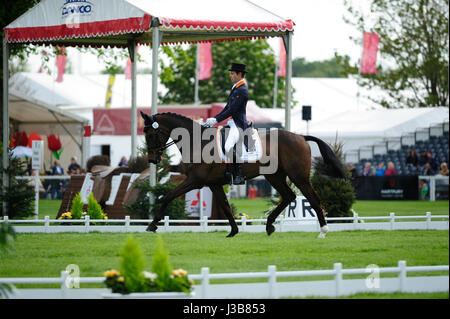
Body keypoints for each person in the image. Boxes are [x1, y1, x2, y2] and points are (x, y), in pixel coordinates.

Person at [204, 62, 249, 185]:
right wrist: (214, 118)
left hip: (238, 124)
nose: (230, 76)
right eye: (230, 73)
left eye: (233, 73)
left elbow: (232, 110)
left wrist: (216, 120)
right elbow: (227, 108)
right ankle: (227, 172)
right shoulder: (236, 88)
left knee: (228, 146)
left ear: (240, 74)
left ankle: (239, 175)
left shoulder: (242, 90)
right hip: (232, 122)